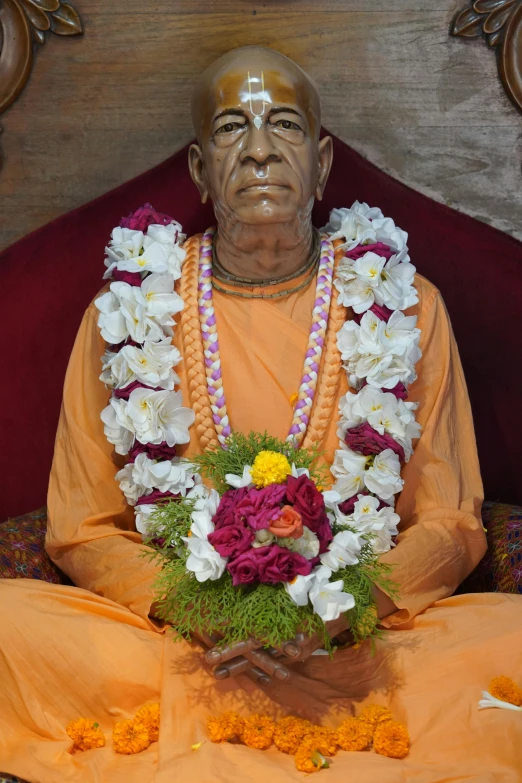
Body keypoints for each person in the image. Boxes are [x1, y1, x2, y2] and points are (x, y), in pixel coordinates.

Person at [1, 45, 521, 783]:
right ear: (198, 171)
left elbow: (451, 522)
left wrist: (335, 612)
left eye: (282, 125)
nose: (257, 152)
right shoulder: (125, 314)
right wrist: (198, 608)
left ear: (323, 161)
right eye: (228, 130)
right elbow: (81, 526)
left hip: (355, 643)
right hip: (182, 644)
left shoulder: (406, 307)